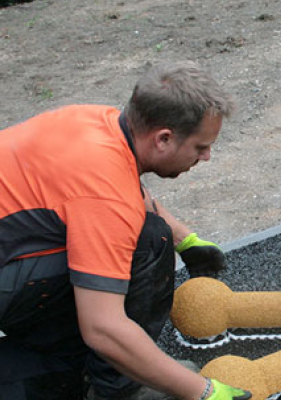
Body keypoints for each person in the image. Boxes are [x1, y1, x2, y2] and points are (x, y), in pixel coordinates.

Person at [0, 62, 251, 400]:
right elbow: (102, 328)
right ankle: (119, 389)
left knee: (151, 232)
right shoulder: (106, 197)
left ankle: (58, 365)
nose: (206, 156)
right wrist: (202, 392)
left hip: (13, 255)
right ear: (163, 139)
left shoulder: (98, 121)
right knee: (148, 242)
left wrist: (185, 239)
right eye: (200, 146)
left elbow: (126, 186)